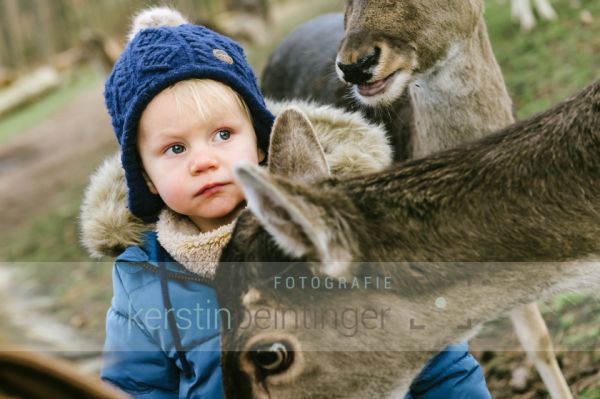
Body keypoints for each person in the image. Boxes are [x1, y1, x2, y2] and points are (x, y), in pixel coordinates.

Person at [80, 6, 491, 399]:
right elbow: (136, 388)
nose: (203, 161)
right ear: (145, 178)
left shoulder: (335, 230)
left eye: (223, 134)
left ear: (260, 140)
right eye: (174, 149)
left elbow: (433, 353)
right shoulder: (144, 281)